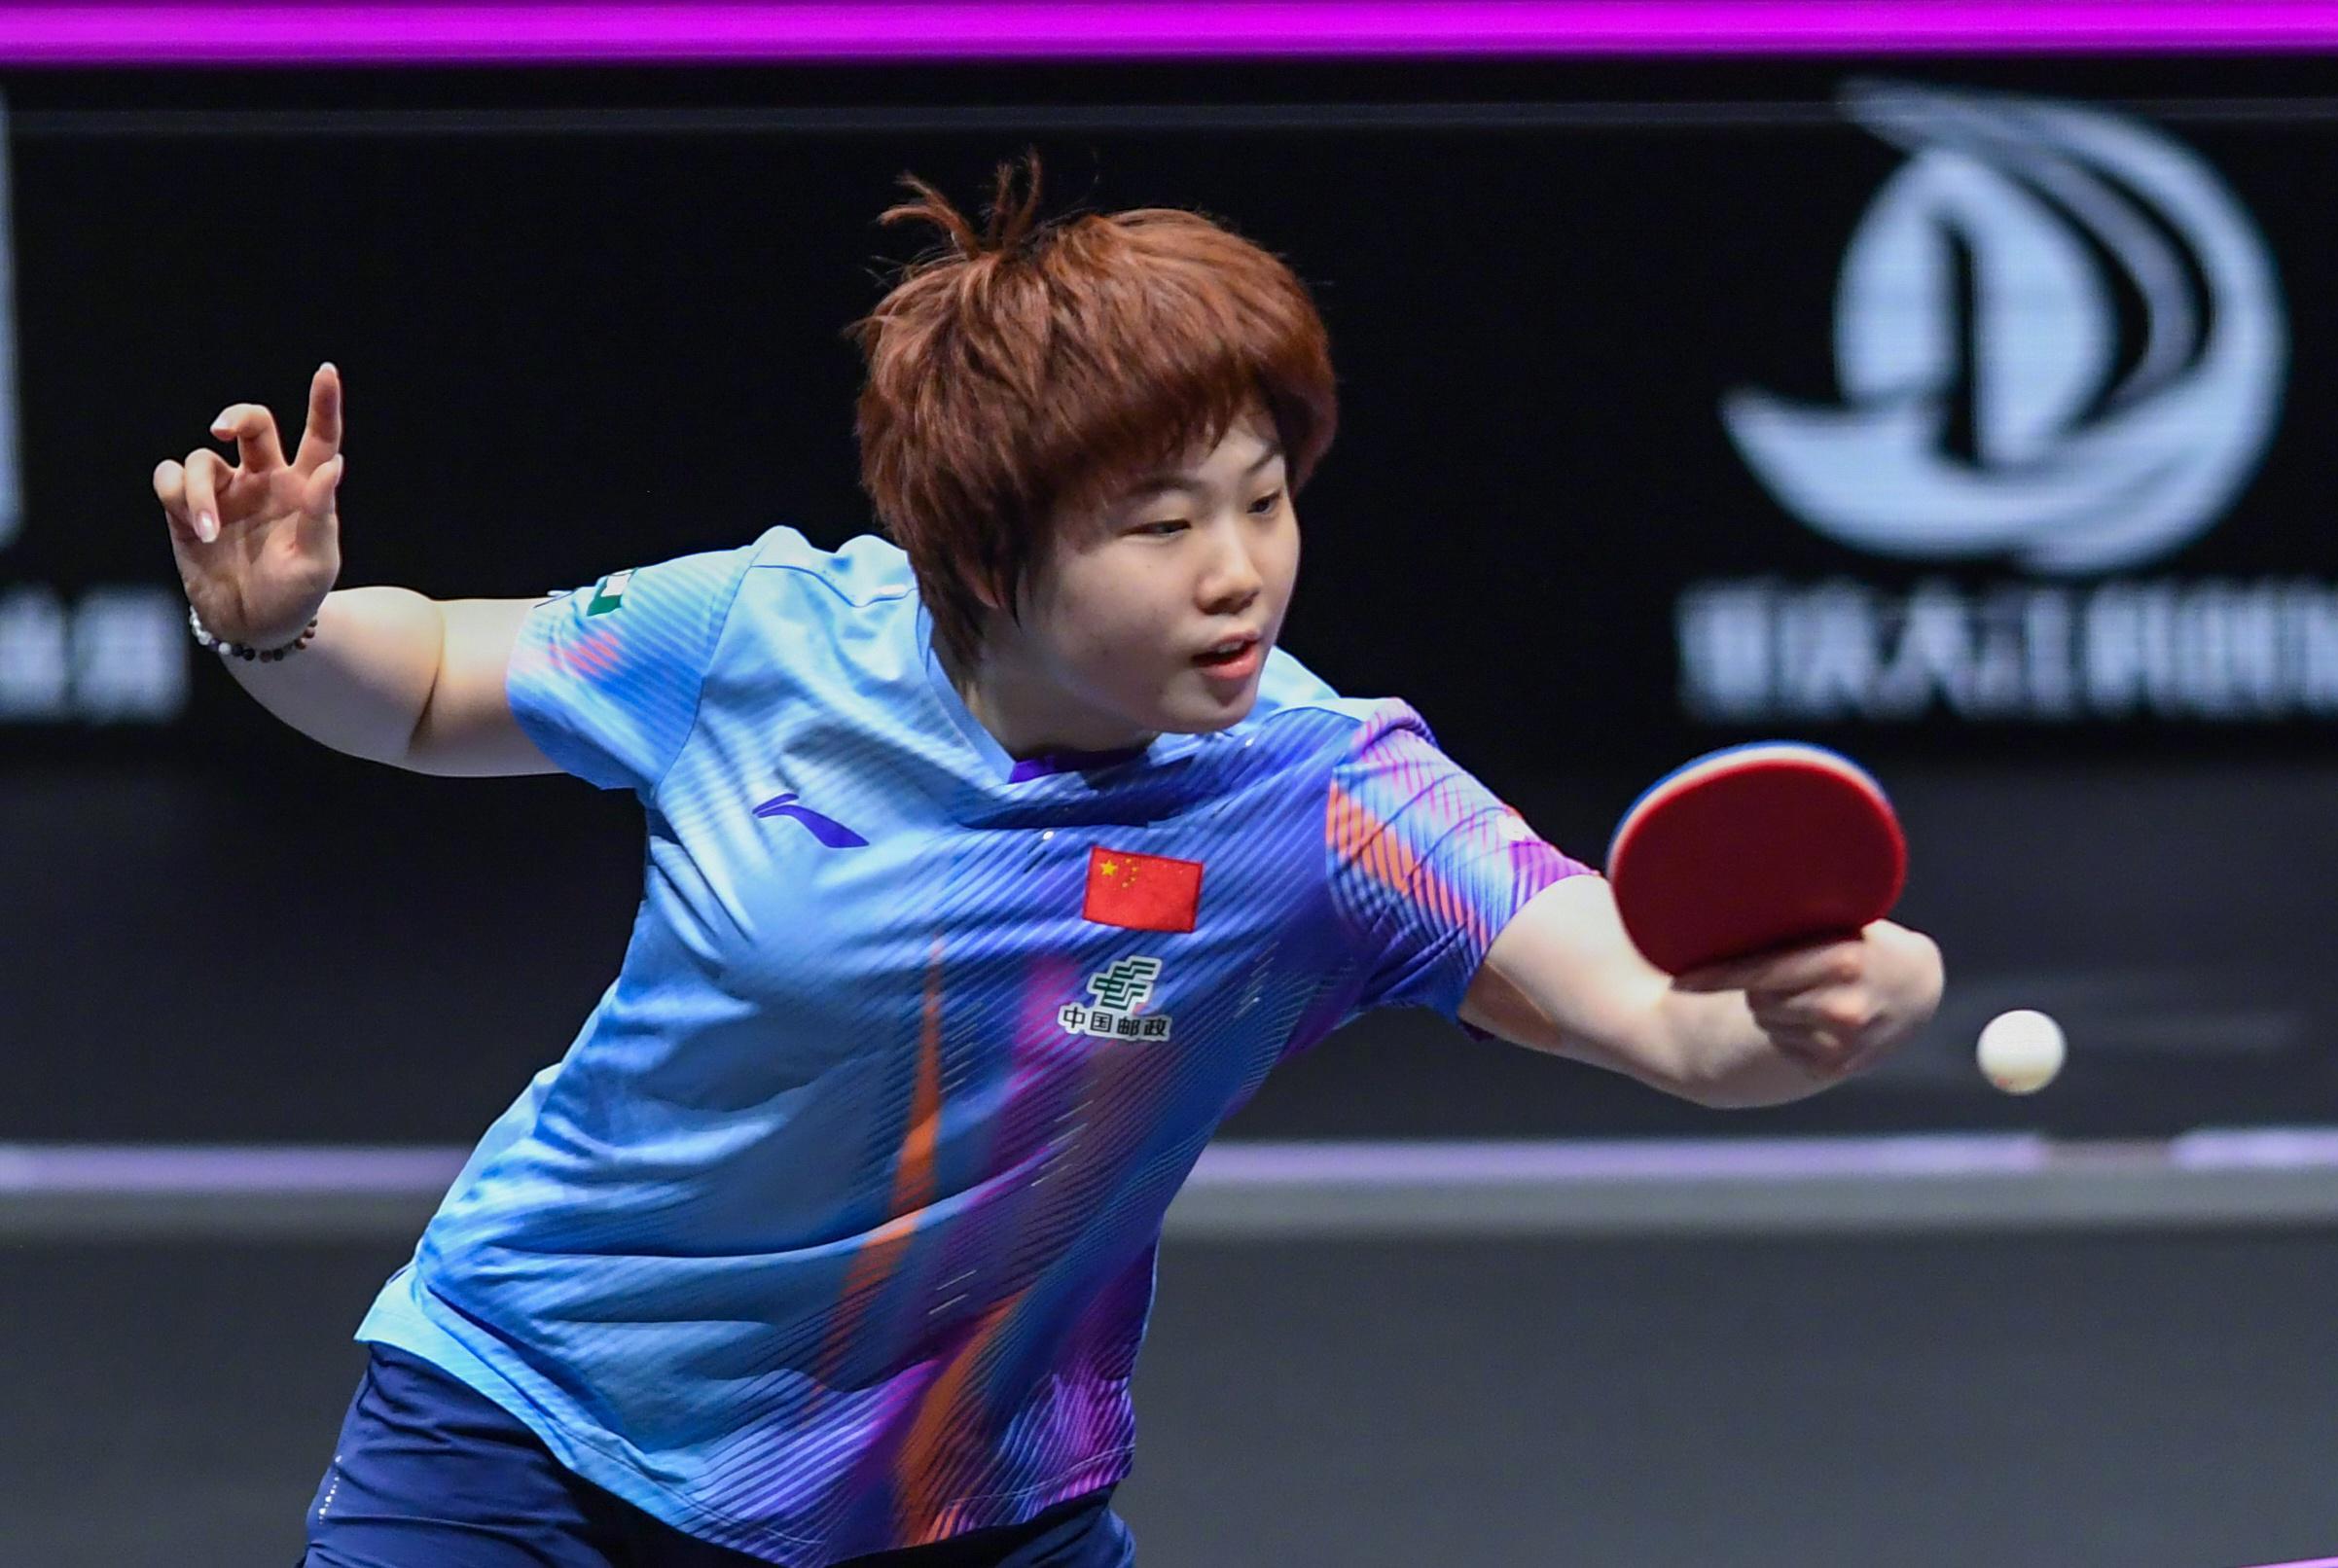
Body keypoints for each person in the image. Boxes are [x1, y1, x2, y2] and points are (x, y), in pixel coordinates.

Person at [154, 159, 1944, 1568]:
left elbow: (1651, 1003)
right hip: (528, 1429)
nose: (1237, 570)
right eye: (1161, 525)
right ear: (989, 555)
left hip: (956, 1506)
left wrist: (1831, 997)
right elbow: (434, 683)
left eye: (1263, 499)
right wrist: (279, 626)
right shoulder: (763, 641)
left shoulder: (1325, 798)